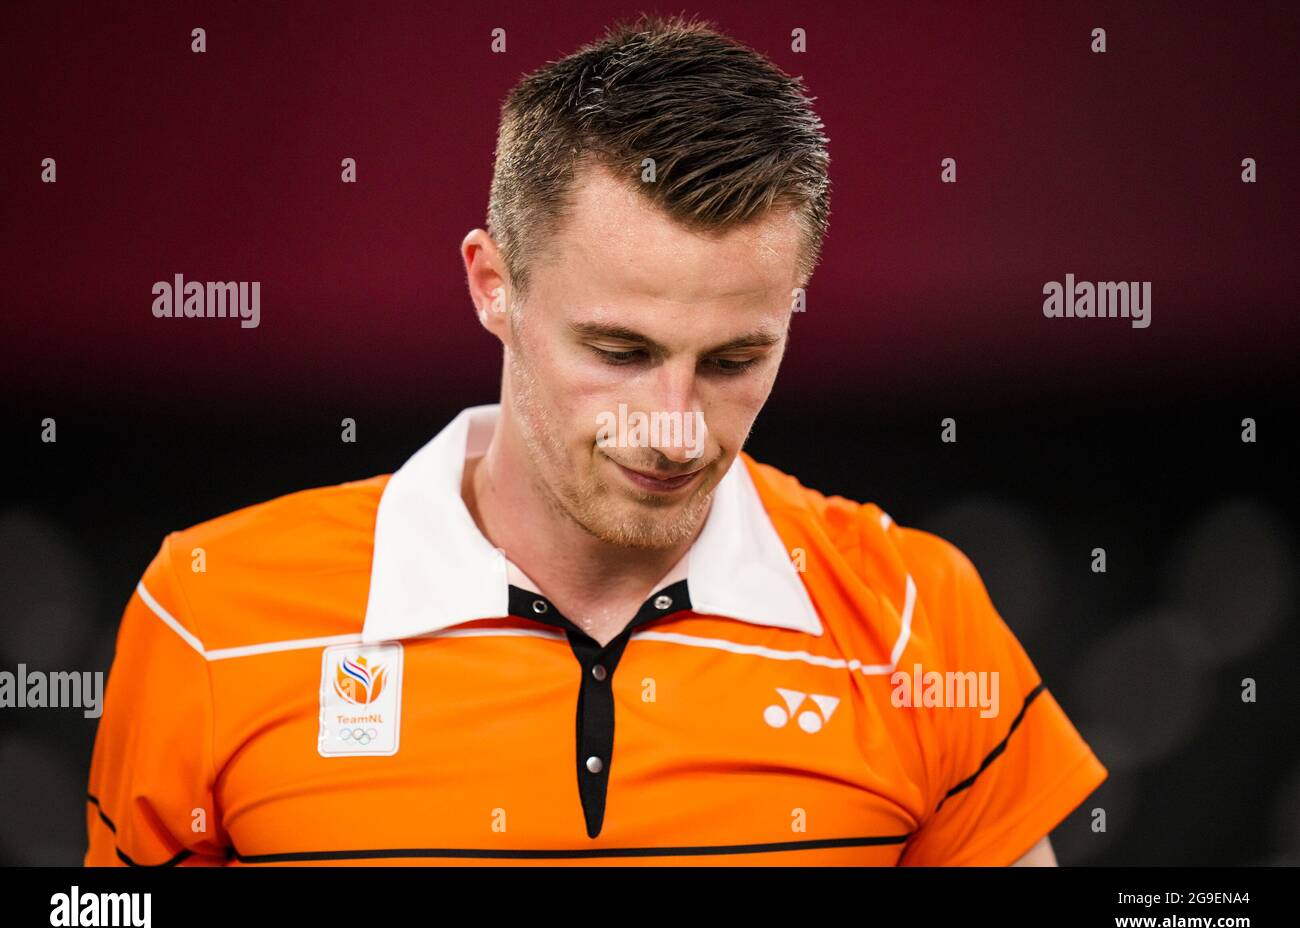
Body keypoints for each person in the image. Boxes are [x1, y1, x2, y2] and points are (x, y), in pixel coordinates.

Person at [85, 13, 1104, 867]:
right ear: (494, 285)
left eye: (733, 359)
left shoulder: (915, 620)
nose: (673, 423)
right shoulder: (207, 614)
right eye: (618, 347)